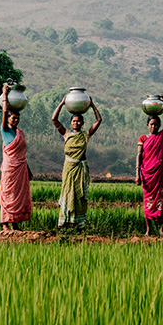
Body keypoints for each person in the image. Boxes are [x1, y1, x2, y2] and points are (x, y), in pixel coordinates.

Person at [51, 94, 102, 229]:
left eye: (79, 121)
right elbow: (54, 119)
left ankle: (78, 223)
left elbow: (98, 120)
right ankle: (65, 222)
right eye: (74, 121)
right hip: (69, 169)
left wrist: (92, 105)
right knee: (68, 192)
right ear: (70, 123)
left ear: (82, 123)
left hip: (80, 169)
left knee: (79, 195)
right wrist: (62, 103)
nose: (76, 123)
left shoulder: (85, 135)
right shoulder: (66, 134)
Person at [136, 95, 163, 237]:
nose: (154, 127)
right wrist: (137, 174)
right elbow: (139, 156)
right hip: (147, 174)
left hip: (160, 173)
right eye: (151, 124)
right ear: (147, 125)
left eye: (156, 124)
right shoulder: (143, 138)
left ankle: (161, 229)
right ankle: (148, 229)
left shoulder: (162, 135)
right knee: (148, 201)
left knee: (161, 200)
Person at [0, 84, 32, 232]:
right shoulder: (5, 129)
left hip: (21, 168)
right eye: (13, 118)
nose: (15, 120)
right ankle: (5, 223)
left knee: (18, 195)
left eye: (17, 118)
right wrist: (4, 94)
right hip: (9, 168)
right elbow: (4, 111)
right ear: (8, 119)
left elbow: (22, 154)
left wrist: (28, 169)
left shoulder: (20, 133)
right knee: (8, 193)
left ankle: (15, 223)